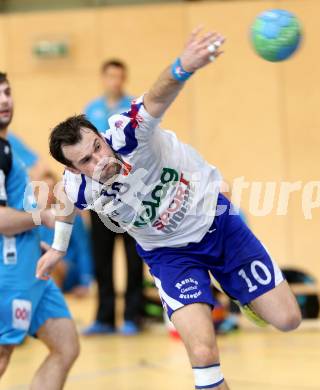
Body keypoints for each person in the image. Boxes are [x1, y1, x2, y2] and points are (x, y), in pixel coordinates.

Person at [37, 28, 301, 390]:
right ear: (73, 169)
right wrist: (57, 248)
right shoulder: (75, 185)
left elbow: (157, 98)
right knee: (203, 353)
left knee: (288, 320)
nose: (99, 160)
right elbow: (66, 209)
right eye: (86, 160)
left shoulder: (129, 135)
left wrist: (184, 66)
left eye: (97, 147)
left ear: (101, 135)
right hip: (170, 256)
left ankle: (244, 298)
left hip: (218, 224)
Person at [0, 72, 79, 388]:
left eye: (7, 92)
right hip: (9, 272)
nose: (4, 100)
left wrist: (35, 244)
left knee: (66, 346)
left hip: (31, 266)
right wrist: (42, 218)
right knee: (3, 351)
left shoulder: (6, 148)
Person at [84, 59, 144, 335]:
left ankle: (133, 315)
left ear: (124, 78)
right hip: (100, 197)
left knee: (134, 258)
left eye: (119, 76)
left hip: (131, 194)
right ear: (103, 78)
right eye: (110, 76)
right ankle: (105, 317)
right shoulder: (91, 109)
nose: (114, 81)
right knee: (102, 258)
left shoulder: (133, 108)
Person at [38, 171, 93, 297]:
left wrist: (85, 283)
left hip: (65, 268)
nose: (48, 193)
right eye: (44, 189)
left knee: (50, 263)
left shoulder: (70, 216)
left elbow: (83, 250)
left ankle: (50, 297)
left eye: (52, 188)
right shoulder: (30, 218)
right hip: (40, 265)